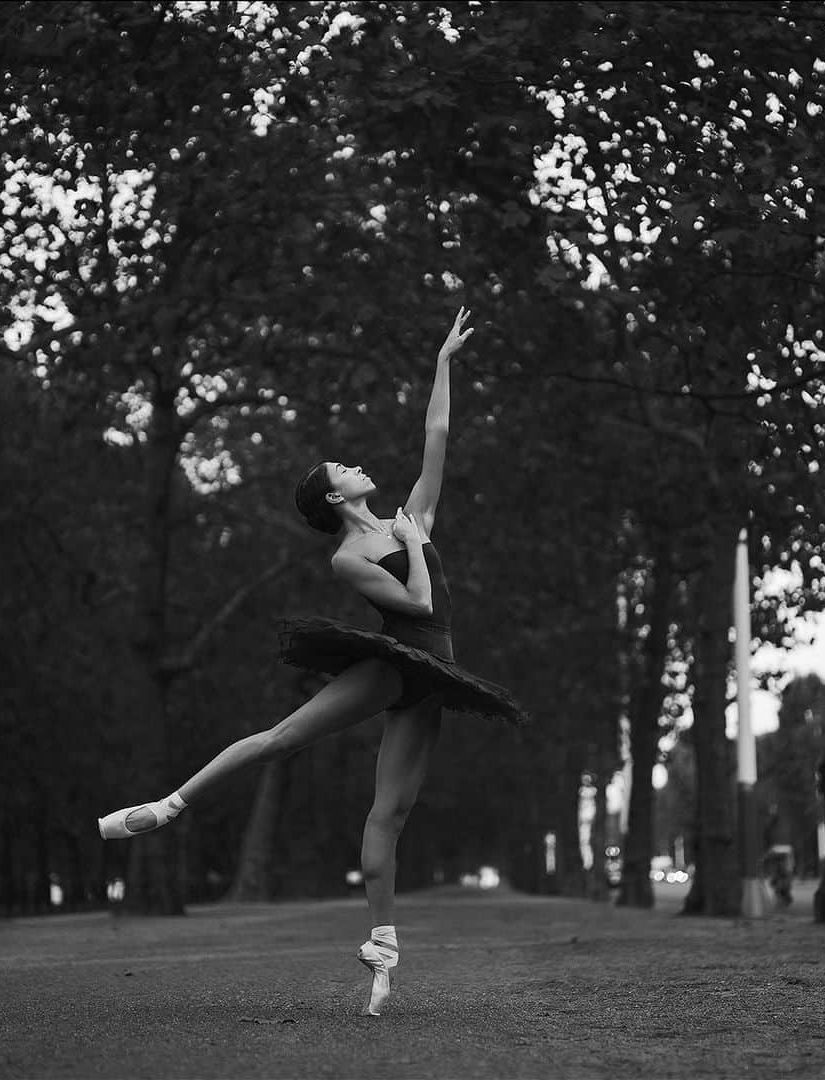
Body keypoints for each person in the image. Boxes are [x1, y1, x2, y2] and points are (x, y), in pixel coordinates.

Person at [97, 307, 529, 1016]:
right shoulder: (352, 554)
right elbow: (417, 605)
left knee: (390, 813)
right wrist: (416, 543)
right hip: (399, 660)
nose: (361, 467)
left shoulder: (406, 513)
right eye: (346, 468)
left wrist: (444, 362)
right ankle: (169, 806)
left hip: (436, 676)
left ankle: (383, 953)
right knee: (283, 737)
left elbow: (437, 436)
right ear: (337, 497)